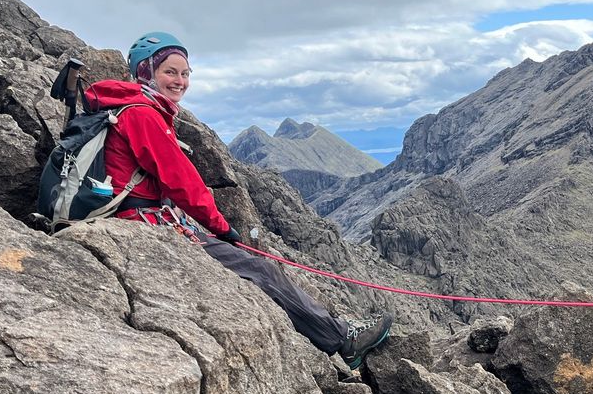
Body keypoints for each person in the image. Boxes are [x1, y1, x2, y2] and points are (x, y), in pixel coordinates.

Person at [84, 30, 392, 368]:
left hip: (137, 218)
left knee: (255, 266)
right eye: (170, 71)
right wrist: (221, 227)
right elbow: (181, 181)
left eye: (185, 73)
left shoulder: (132, 108)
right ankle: (342, 340)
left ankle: (336, 330)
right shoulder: (142, 115)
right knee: (259, 269)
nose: (180, 81)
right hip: (141, 224)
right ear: (146, 71)